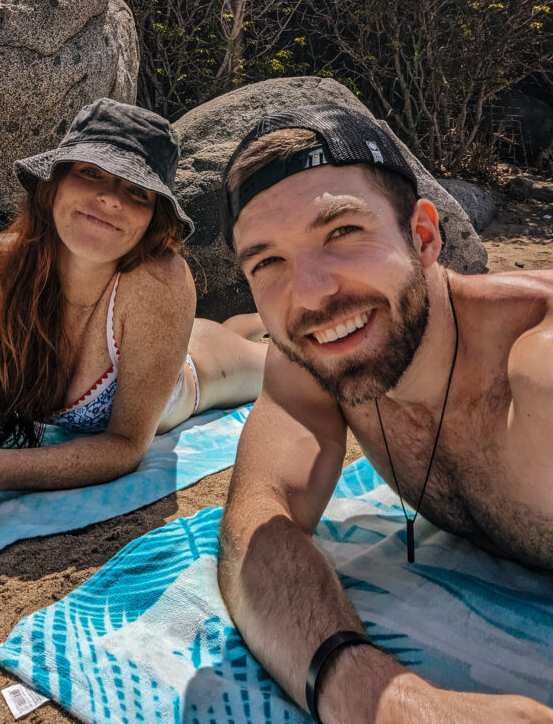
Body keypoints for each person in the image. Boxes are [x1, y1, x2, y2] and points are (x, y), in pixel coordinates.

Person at [216, 103, 553, 724]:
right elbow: (255, 528)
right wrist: (381, 699)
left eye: (342, 232)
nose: (312, 293)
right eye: (268, 262)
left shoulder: (537, 374)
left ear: (423, 236)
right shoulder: (316, 357)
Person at [0, 98, 266, 541]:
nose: (109, 198)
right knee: (235, 329)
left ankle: (257, 324)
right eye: (91, 173)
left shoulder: (158, 281)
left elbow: (126, 445)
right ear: (53, 183)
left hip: (198, 372)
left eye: (137, 191)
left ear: (152, 218)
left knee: (280, 359)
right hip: (153, 338)